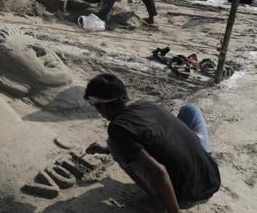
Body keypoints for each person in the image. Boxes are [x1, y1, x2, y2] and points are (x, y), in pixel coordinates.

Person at [84, 74, 221, 212]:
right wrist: (106, 150)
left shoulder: (117, 127)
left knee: (113, 143)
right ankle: (200, 160)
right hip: (211, 180)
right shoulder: (146, 105)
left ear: (102, 105)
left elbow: (159, 172)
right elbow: (157, 139)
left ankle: (157, 200)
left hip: (186, 197)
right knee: (190, 109)